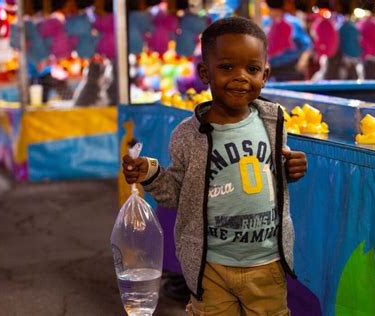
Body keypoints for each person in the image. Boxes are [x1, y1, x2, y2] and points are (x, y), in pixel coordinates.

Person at [122, 16, 307, 315]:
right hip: (211, 267)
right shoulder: (187, 135)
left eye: (252, 69)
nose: (240, 77)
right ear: (205, 73)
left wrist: (292, 169)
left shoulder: (275, 123)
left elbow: (274, 177)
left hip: (267, 264)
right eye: (226, 67)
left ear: (265, 75)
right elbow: (178, 196)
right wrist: (151, 175)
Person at [263, 0, 312, 81]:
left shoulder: (293, 22)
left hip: (291, 69)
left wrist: (303, 61)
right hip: (271, 70)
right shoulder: (265, 22)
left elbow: (307, 46)